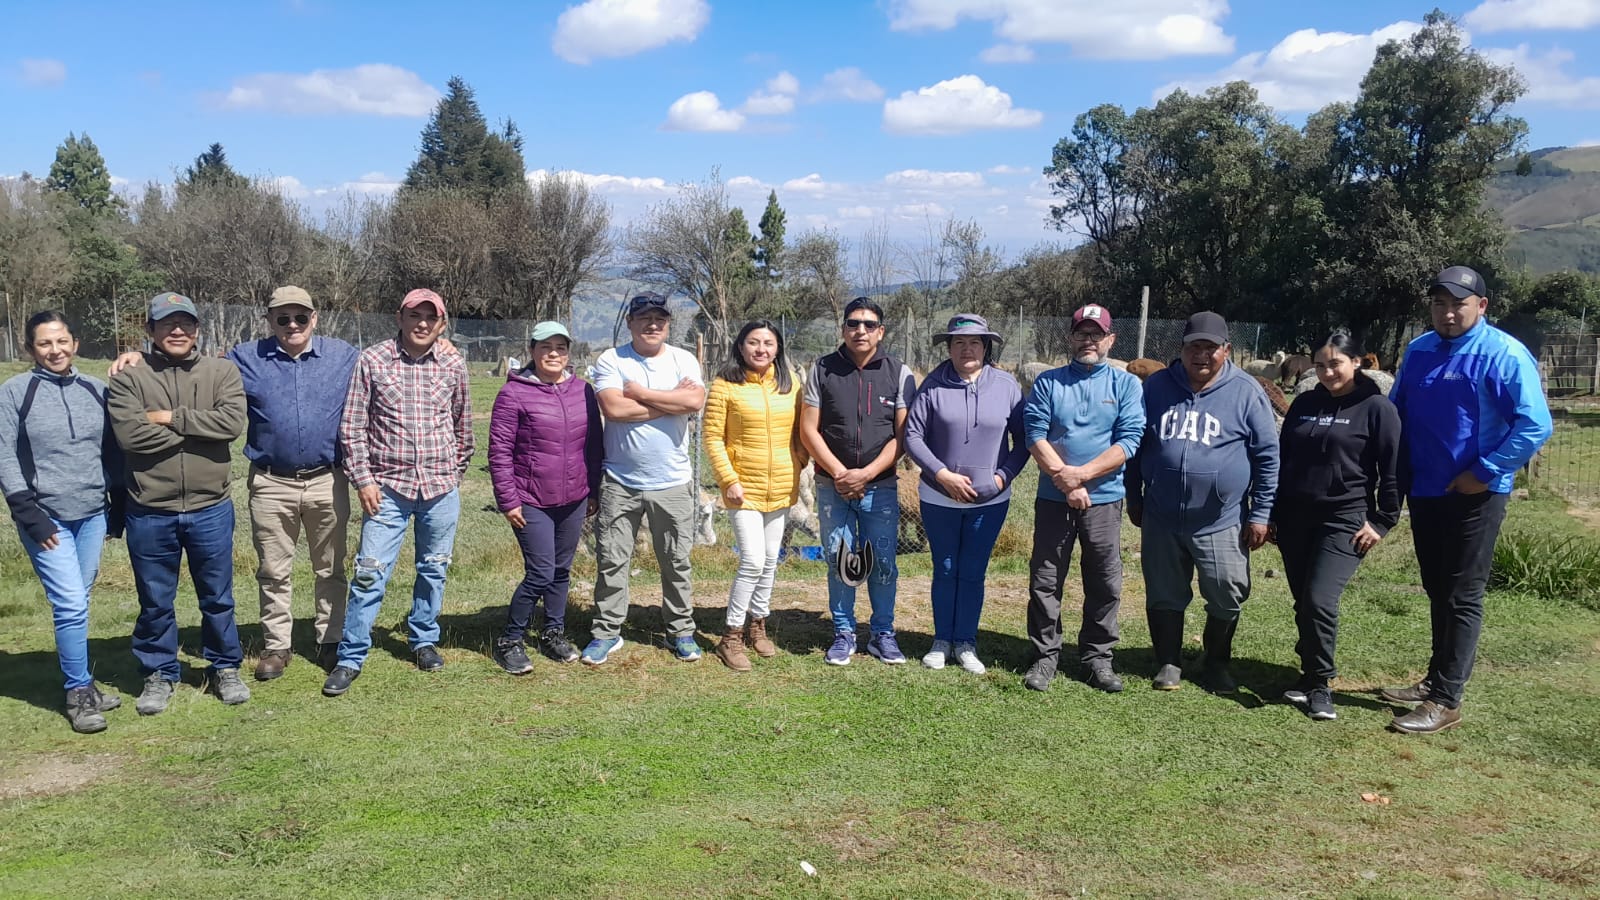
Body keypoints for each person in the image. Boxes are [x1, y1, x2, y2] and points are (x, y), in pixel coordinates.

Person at [1381, 266, 1552, 734]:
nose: (1448, 312)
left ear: (1482, 305)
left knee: (1462, 594)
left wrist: (1485, 472)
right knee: (1439, 588)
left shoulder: (1502, 353)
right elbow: (1396, 414)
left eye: (1458, 303)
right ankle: (1435, 680)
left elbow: (1535, 425)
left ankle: (1446, 699)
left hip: (1475, 495)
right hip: (1427, 490)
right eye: (1439, 303)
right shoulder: (1419, 351)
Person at [322, 288, 474, 697]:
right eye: (414, 315)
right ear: (400, 317)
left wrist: (453, 473)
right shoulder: (373, 360)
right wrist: (365, 480)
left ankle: (423, 639)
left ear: (441, 323)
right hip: (387, 489)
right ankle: (351, 656)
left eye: (431, 317)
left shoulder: (453, 362)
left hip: (441, 488)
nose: (422, 323)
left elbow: (463, 428)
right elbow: (351, 427)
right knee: (370, 571)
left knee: (434, 567)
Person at [108, 292, 250, 714]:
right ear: (150, 330)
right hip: (150, 510)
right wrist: (199, 426)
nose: (177, 331)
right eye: (166, 323)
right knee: (155, 599)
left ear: (196, 330)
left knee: (218, 597)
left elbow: (231, 423)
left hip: (210, 507)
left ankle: (224, 667)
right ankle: (159, 673)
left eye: (185, 323)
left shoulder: (221, 371)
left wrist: (170, 417)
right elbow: (131, 436)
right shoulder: (130, 377)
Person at [1127, 311, 1278, 694]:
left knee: (1228, 591)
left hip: (1221, 518)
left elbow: (1267, 455)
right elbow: (1133, 444)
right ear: (1182, 348)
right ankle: (1168, 661)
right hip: (1161, 513)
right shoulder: (1157, 386)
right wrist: (1134, 494)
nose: (1202, 356)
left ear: (1226, 350)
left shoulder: (1245, 391)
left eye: (1211, 348)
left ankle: (1215, 661)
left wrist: (1260, 513)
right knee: (1163, 590)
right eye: (1195, 347)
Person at [227, 286, 360, 680]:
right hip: (271, 482)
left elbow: (390, 365)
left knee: (331, 568)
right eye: (282, 318)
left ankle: (330, 640)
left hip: (327, 480)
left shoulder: (343, 356)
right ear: (269, 321)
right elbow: (198, 370)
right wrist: (139, 355)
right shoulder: (245, 358)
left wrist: (447, 347)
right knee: (273, 570)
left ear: (314, 318)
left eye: (300, 317)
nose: (292, 325)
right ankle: (276, 646)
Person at [0, 312, 125, 733]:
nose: (55, 350)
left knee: (79, 600)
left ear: (74, 342)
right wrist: (29, 514)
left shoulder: (96, 389)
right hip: (46, 517)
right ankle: (78, 693)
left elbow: (112, 450)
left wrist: (117, 502)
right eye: (44, 344)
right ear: (30, 349)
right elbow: (4, 458)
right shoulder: (16, 393)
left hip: (91, 513)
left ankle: (85, 684)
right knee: (70, 603)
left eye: (61, 341)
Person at [1271, 333, 1403, 721]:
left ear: (1357, 362)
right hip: (1296, 516)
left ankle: (1321, 685)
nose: (1328, 372)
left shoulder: (1376, 408)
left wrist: (1382, 520)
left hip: (1343, 517)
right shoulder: (1305, 404)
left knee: (1319, 600)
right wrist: (1273, 513)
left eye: (1336, 364)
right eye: (1320, 364)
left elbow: (1393, 470)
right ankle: (1309, 672)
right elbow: (1284, 460)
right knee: (1303, 602)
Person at [1020, 304, 1144, 693]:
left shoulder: (1126, 385)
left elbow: (1129, 441)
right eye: (1081, 333)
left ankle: (1097, 658)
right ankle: (1045, 656)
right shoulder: (1049, 383)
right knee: (1045, 578)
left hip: (1105, 499)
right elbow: (1035, 435)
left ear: (1110, 339)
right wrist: (1066, 482)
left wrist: (1084, 476)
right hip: (1055, 499)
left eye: (1096, 334)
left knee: (1104, 580)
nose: (1088, 340)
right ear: (1071, 338)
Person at [584, 293, 707, 665]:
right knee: (612, 559)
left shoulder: (683, 358)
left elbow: (695, 402)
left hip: (671, 482)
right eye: (644, 318)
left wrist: (640, 393)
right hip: (621, 481)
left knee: (676, 560)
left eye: (660, 319)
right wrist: (670, 401)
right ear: (630, 323)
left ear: (668, 324)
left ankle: (680, 631)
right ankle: (607, 632)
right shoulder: (611, 359)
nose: (652, 325)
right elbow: (614, 408)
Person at [903, 314, 1028, 675]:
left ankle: (966, 643)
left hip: (990, 500)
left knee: (973, 571)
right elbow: (913, 436)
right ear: (949, 348)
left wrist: (1002, 478)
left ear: (986, 347)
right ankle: (941, 641)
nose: (967, 349)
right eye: (959, 343)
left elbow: (1023, 441)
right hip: (939, 497)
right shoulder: (933, 386)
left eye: (975, 342)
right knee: (944, 569)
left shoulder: (1006, 386)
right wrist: (942, 475)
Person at [798, 297, 918, 666]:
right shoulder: (822, 369)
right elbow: (808, 429)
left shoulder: (899, 373)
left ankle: (883, 633)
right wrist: (839, 473)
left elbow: (902, 436)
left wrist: (866, 474)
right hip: (831, 487)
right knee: (838, 558)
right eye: (853, 324)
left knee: (883, 562)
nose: (860, 330)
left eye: (868, 325)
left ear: (881, 332)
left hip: (879, 486)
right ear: (843, 329)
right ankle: (844, 632)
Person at [487, 321, 602, 674]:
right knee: (539, 572)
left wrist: (593, 490)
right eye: (545, 347)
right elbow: (499, 451)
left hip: (573, 498)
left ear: (569, 353)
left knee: (561, 571)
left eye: (561, 347)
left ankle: (553, 632)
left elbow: (595, 446)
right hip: (531, 498)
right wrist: (508, 500)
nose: (553, 353)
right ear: (532, 351)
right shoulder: (514, 393)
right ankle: (510, 640)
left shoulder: (583, 390)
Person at [701, 320, 807, 671]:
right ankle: (730, 636)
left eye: (769, 343)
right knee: (752, 560)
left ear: (778, 348)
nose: (761, 349)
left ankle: (757, 626)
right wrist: (728, 478)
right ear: (741, 347)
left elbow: (801, 431)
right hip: (741, 488)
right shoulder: (724, 385)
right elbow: (712, 437)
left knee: (770, 558)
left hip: (780, 486)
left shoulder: (790, 386)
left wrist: (800, 461)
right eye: (753, 342)